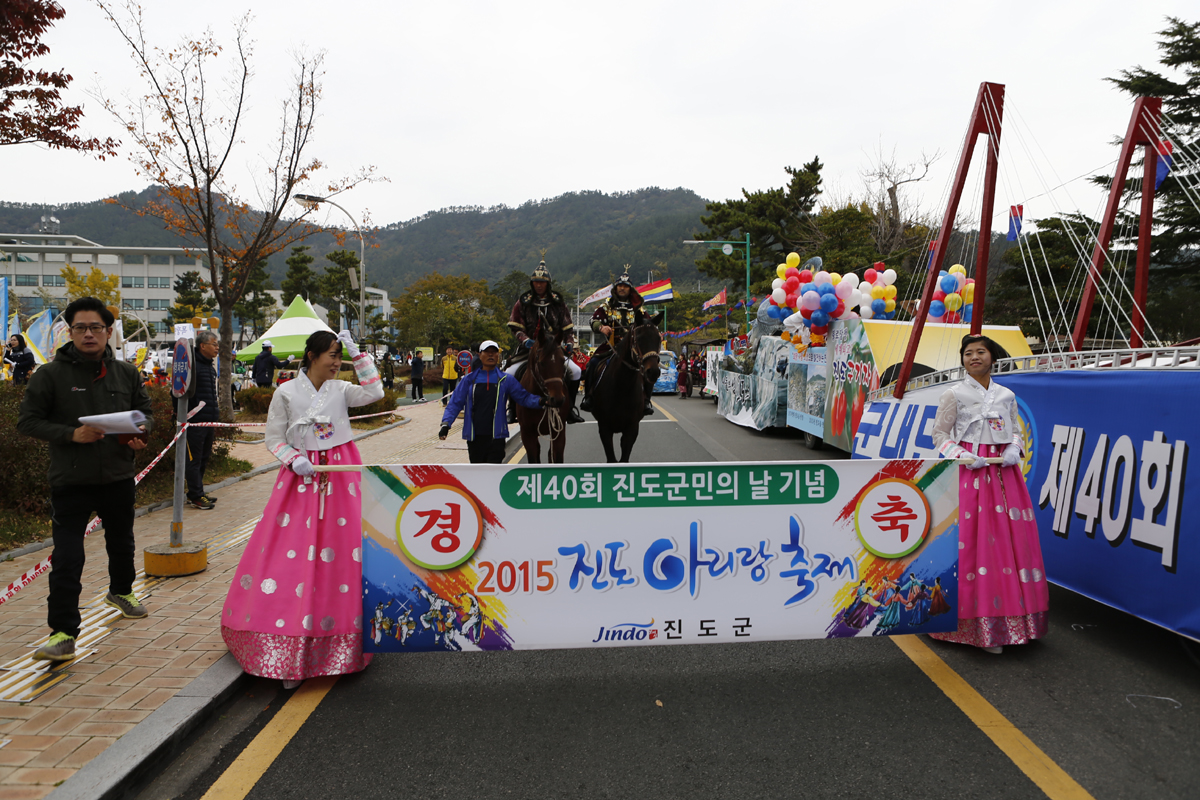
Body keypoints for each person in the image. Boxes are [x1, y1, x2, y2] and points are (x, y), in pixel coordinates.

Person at [221, 329, 383, 688]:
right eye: (332, 355)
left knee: (343, 552)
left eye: (340, 355)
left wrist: (360, 356)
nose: (336, 362)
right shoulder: (286, 392)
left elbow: (375, 393)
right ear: (311, 355)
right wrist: (293, 459)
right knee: (292, 553)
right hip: (301, 478)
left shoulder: (341, 390)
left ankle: (342, 645)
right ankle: (288, 651)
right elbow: (273, 437)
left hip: (340, 475)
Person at [17, 297, 152, 662]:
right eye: (81, 327)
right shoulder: (50, 375)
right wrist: (69, 435)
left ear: (109, 331)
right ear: (70, 331)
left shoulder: (126, 373)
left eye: (96, 327)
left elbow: (146, 414)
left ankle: (121, 591)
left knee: (122, 541)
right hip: (70, 480)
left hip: (118, 474)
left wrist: (140, 434)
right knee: (67, 557)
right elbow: (27, 421)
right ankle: (62, 632)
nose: (88, 334)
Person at [929, 333, 1048, 655]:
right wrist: (961, 455)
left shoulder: (1006, 395)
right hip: (969, 473)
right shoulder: (953, 393)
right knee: (970, 543)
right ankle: (973, 626)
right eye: (968, 353)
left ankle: (1011, 622)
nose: (974, 358)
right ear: (963, 359)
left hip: (1004, 476)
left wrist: (1013, 448)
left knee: (1009, 544)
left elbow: (1016, 433)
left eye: (980, 352)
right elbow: (939, 435)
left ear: (992, 357)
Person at [439, 340, 559, 464]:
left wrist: (542, 401)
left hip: (497, 438)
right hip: (474, 437)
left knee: (493, 473)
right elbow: (455, 403)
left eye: (494, 352)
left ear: (498, 356)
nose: (491, 355)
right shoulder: (469, 380)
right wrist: (446, 424)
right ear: (480, 355)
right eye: (487, 352)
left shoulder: (506, 380)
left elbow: (523, 397)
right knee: (478, 472)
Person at [504, 258, 583, 424]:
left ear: (548, 283)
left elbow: (567, 328)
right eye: (536, 282)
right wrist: (525, 340)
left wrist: (568, 342)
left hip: (553, 348)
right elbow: (516, 327)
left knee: (575, 372)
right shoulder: (523, 302)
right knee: (508, 374)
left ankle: (570, 409)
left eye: (542, 282)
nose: (539, 285)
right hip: (529, 349)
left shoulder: (557, 302)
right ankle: (512, 409)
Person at [581, 270, 654, 416]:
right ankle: (589, 397)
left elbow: (648, 324)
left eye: (625, 286)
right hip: (611, 346)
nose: (622, 288)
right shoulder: (606, 306)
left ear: (630, 289)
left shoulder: (638, 309)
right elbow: (593, 320)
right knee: (592, 363)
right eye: (620, 286)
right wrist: (602, 327)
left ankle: (646, 400)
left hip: (633, 349)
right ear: (615, 288)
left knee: (649, 367)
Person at [185, 330, 220, 510]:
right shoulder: (192, 367)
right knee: (194, 460)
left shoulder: (210, 367)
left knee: (204, 458)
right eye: (214, 344)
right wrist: (187, 414)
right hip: (195, 422)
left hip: (209, 421)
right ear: (202, 346)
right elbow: (178, 393)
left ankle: (196, 492)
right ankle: (196, 495)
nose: (217, 347)